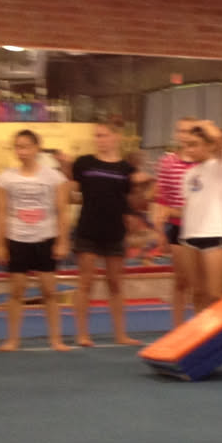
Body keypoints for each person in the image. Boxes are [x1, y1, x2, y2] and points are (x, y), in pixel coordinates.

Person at [0, 128, 72, 353]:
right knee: (16, 292)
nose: (22, 151)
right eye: (18, 147)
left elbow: (62, 210)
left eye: (26, 147)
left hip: (45, 238)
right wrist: (0, 244)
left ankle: (56, 339)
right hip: (17, 239)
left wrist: (63, 241)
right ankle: (12, 339)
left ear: (36, 148)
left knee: (49, 292)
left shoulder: (54, 177)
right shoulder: (5, 178)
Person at [71, 122, 145, 347]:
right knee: (86, 282)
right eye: (97, 136)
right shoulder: (84, 163)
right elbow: (71, 190)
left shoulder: (126, 169)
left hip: (115, 231)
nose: (99, 140)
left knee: (115, 284)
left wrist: (141, 188)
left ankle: (121, 334)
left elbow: (132, 202)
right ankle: (82, 333)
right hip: (88, 229)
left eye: (104, 135)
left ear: (116, 137)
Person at [176, 121, 222, 313]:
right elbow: (190, 207)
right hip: (189, 237)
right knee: (197, 294)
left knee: (216, 295)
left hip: (214, 235)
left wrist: (200, 124)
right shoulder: (189, 174)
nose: (189, 150)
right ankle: (202, 331)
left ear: (209, 145)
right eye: (187, 145)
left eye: (194, 145)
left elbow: (218, 136)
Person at [151, 117, 196, 326]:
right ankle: (178, 327)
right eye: (181, 131)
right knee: (181, 280)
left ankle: (200, 325)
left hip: (201, 227)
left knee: (199, 281)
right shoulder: (168, 162)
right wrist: (159, 230)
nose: (184, 135)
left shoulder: (203, 162)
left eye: (189, 131)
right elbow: (162, 197)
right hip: (178, 228)